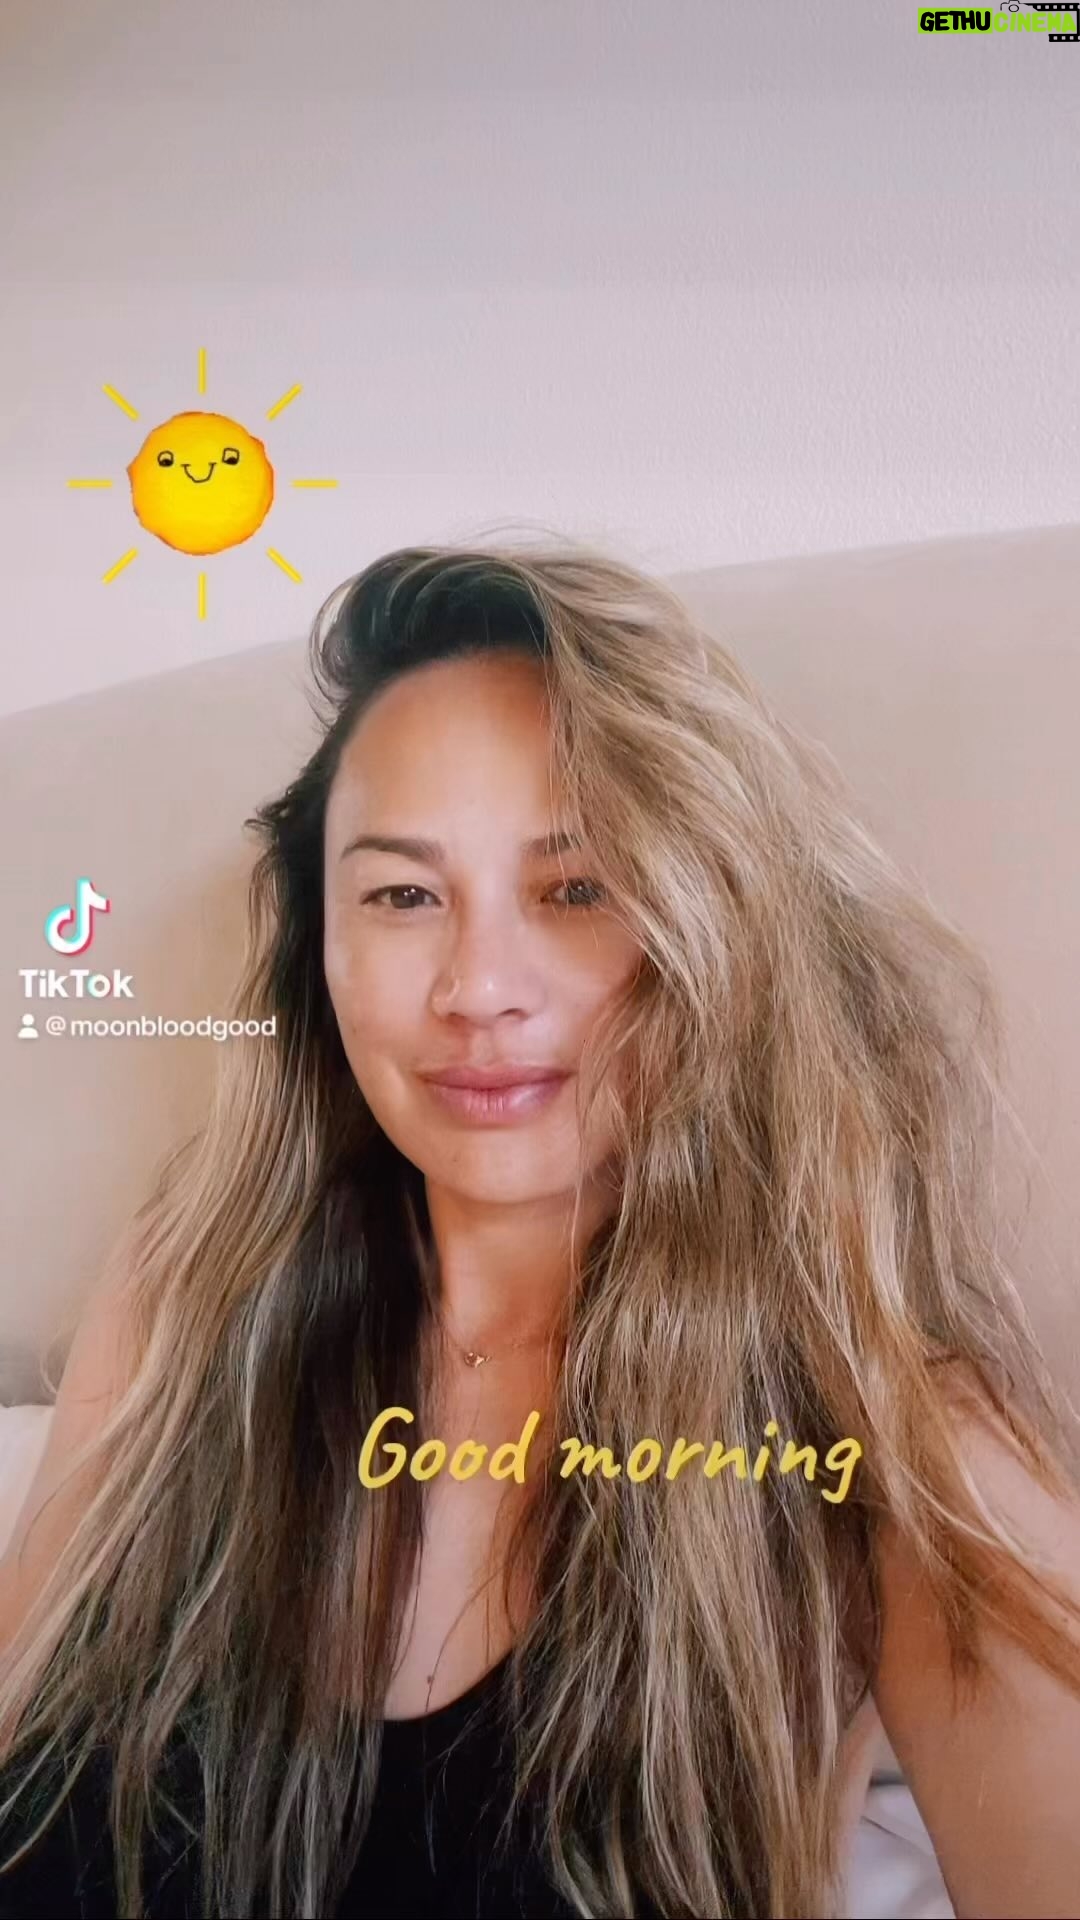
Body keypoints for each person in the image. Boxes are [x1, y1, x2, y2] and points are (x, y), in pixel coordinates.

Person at [1, 537, 1079, 1919]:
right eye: (403, 895)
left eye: (579, 887)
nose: (479, 987)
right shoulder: (185, 1296)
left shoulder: (893, 1432)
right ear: (318, 949)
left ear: (718, 924)